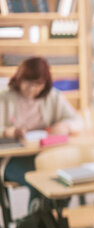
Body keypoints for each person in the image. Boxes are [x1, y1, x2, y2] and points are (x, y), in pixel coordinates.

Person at [0, 57, 82, 209]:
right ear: (19, 79)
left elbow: (78, 121)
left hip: (46, 155)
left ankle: (47, 223)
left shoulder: (52, 96)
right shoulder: (4, 97)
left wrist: (65, 126)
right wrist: (8, 131)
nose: (32, 89)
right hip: (13, 160)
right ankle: (35, 225)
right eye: (27, 83)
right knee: (40, 181)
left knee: (62, 182)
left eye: (37, 84)